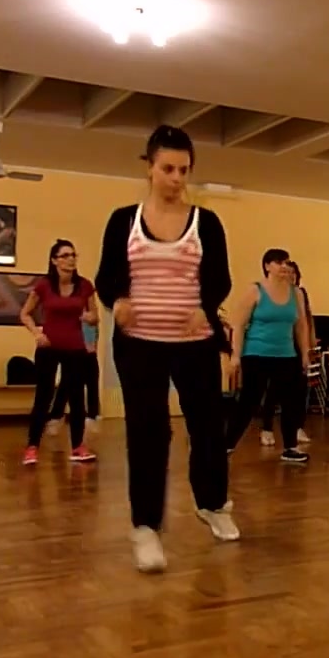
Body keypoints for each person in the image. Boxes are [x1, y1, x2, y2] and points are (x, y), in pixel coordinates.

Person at [94, 124, 238, 574]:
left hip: (193, 344)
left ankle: (212, 503)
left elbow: (220, 279)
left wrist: (204, 309)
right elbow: (106, 277)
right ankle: (146, 526)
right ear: (150, 168)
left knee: (208, 427)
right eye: (168, 168)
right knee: (149, 431)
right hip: (139, 345)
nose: (176, 178)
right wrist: (117, 301)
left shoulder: (206, 223)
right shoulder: (124, 221)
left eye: (184, 170)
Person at [225, 248, 311, 464]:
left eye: (286, 262)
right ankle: (226, 444)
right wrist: (236, 356)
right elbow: (239, 325)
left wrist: (304, 353)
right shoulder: (255, 290)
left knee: (291, 402)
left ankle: (290, 447)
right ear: (267, 266)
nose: (284, 266)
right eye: (279, 262)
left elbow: (301, 325)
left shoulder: (296, 293)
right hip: (256, 353)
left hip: (286, 354)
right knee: (249, 401)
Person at [19, 239, 98, 465]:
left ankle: (78, 447)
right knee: (43, 397)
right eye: (65, 255)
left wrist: (89, 318)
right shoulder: (44, 285)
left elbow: (95, 316)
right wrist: (37, 333)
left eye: (73, 255)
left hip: (75, 348)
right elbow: (25, 313)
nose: (71, 259)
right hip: (49, 347)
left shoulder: (85, 285)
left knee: (76, 399)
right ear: (54, 260)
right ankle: (32, 447)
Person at [260, 260, 313, 447]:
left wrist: (309, 345)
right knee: (274, 389)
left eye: (293, 273)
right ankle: (266, 428)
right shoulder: (272, 293)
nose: (290, 276)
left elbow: (306, 320)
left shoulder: (300, 294)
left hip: (298, 346)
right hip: (280, 347)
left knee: (300, 389)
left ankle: (297, 427)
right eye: (287, 272)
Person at [47, 317, 101, 437]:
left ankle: (92, 416)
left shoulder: (91, 314)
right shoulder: (72, 315)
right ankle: (56, 417)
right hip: (74, 352)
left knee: (92, 384)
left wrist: (93, 347)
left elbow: (95, 330)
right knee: (65, 384)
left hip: (90, 353)